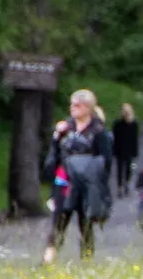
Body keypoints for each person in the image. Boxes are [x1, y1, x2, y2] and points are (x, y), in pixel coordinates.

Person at [42, 89, 114, 263]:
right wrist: (56, 137)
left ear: (88, 108)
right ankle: (48, 260)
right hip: (64, 181)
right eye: (72, 104)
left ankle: (86, 261)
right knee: (59, 219)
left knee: (85, 222)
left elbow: (106, 160)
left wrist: (99, 186)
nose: (73, 108)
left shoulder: (98, 131)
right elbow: (55, 154)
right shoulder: (65, 128)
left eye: (78, 105)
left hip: (87, 183)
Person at [112, 104, 139, 197]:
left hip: (129, 150)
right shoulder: (118, 123)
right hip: (120, 149)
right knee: (119, 169)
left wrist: (135, 151)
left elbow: (135, 139)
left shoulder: (133, 124)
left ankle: (126, 183)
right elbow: (115, 138)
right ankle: (120, 186)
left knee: (128, 168)